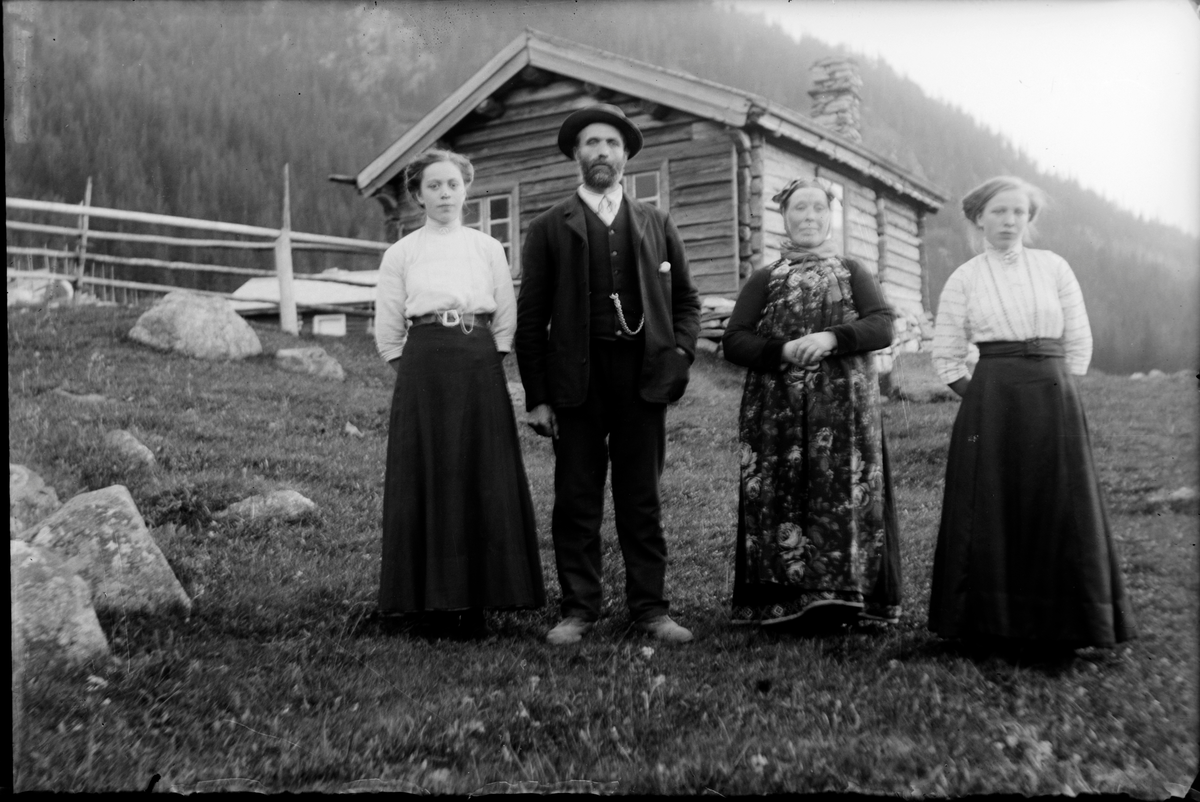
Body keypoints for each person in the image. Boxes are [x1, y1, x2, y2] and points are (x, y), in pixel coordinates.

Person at [515, 103, 701, 645]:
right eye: (592, 143)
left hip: (643, 378)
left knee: (641, 496)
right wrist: (538, 397)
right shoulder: (549, 226)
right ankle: (579, 609)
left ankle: (650, 610)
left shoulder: (655, 222)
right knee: (576, 498)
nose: (602, 152)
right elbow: (531, 319)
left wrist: (681, 355)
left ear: (625, 157)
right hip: (577, 380)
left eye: (612, 144)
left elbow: (687, 301)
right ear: (577, 154)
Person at [928, 175, 1135, 658]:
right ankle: (990, 624)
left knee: (1060, 504)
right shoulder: (965, 277)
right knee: (990, 508)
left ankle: (1066, 624)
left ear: (1029, 219)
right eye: (999, 211)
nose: (1009, 221)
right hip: (993, 401)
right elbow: (946, 354)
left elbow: (1079, 340)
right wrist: (980, 400)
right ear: (979, 217)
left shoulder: (1054, 267)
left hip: (1053, 395)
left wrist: (1061, 390)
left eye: (1019, 212)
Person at [374, 148, 544, 639]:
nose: (445, 194)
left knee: (479, 470)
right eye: (434, 186)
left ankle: (477, 600)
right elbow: (388, 330)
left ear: (466, 188)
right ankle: (426, 602)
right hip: (424, 362)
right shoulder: (401, 253)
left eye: (453, 184)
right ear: (418, 196)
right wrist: (416, 370)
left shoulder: (487, 248)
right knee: (429, 470)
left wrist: (489, 359)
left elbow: (506, 316)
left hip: (478, 360)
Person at [722, 177, 903, 630]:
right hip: (776, 410)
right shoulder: (765, 278)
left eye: (818, 210)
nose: (808, 217)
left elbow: (882, 326)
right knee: (780, 490)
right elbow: (734, 340)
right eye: (799, 209)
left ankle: (848, 601)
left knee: (844, 491)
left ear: (829, 216)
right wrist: (780, 350)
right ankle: (780, 603)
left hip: (844, 409)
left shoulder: (852, 270)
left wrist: (831, 338)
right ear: (783, 217)